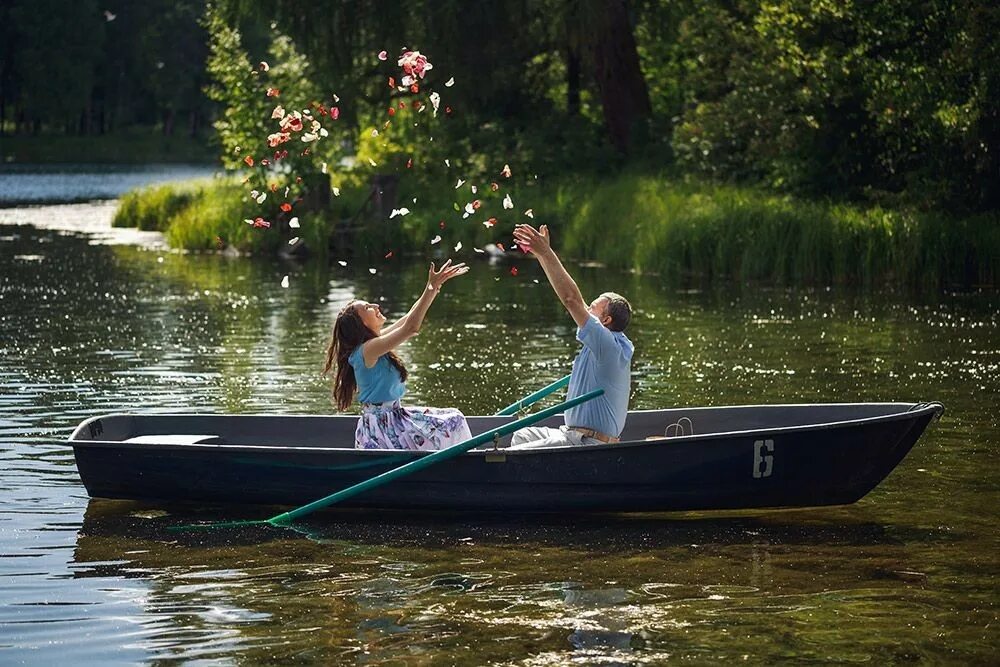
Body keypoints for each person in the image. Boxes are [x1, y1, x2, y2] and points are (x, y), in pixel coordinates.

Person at [323, 260, 473, 450]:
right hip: (384, 427)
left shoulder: (374, 344)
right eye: (368, 307)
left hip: (394, 417)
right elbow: (411, 328)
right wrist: (430, 287)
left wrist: (434, 287)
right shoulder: (368, 350)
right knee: (455, 420)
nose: (376, 305)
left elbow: (410, 318)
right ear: (361, 325)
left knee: (453, 417)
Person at [509, 223, 634, 448]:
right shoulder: (604, 339)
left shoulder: (607, 344)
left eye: (592, 307)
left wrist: (547, 252)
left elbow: (571, 300)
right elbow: (574, 301)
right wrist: (540, 255)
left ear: (606, 321)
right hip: (573, 435)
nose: (585, 311)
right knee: (521, 436)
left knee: (515, 453)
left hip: (588, 443)